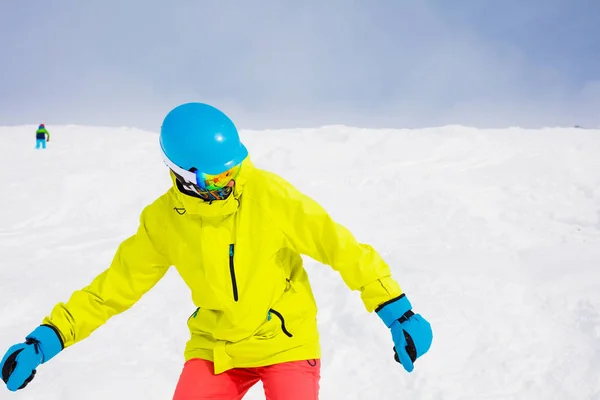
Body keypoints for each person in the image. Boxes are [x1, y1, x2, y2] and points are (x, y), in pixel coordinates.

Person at [0, 103, 433, 399]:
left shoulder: (267, 194)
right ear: (183, 175)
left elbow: (341, 247)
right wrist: (48, 338)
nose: (229, 181)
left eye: (232, 170)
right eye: (216, 177)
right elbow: (113, 288)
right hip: (216, 347)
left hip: (285, 341)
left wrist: (397, 310)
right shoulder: (162, 221)